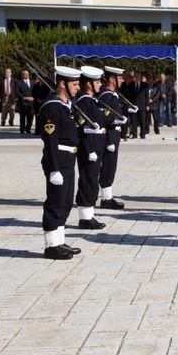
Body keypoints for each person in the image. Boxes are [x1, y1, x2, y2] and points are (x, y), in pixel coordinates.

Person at [39, 66, 83, 260]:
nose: (78, 88)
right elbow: (50, 141)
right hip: (57, 159)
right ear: (62, 84)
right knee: (55, 202)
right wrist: (54, 169)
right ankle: (51, 246)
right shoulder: (52, 106)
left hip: (68, 159)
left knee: (65, 202)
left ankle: (59, 241)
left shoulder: (67, 106)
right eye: (74, 84)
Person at [74, 66, 109, 230]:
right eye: (97, 81)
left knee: (92, 181)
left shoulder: (92, 100)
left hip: (97, 145)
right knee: (88, 181)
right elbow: (81, 129)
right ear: (88, 84)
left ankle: (89, 214)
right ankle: (85, 218)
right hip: (90, 149)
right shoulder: (84, 102)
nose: (100, 84)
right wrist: (90, 151)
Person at [98, 66, 127, 210]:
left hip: (114, 134)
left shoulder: (112, 95)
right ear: (111, 79)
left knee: (111, 166)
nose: (122, 80)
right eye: (119, 77)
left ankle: (107, 196)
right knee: (108, 166)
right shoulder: (106, 96)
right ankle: (106, 198)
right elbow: (106, 118)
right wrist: (110, 140)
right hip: (110, 135)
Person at [128, 71, 148, 138]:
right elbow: (129, 96)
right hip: (133, 105)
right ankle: (134, 134)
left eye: (138, 75)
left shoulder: (144, 85)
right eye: (135, 75)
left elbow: (146, 95)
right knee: (133, 121)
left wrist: (147, 105)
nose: (137, 76)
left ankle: (142, 134)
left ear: (140, 76)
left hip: (142, 105)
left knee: (142, 120)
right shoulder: (131, 85)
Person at [16, 69, 35, 134]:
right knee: (22, 117)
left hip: (31, 103)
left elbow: (35, 91)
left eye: (27, 74)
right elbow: (17, 92)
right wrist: (24, 97)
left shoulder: (33, 82)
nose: (26, 75)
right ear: (22, 75)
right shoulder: (18, 82)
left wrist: (33, 98)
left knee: (30, 117)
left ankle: (28, 129)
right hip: (22, 103)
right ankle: (22, 130)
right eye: (24, 74)